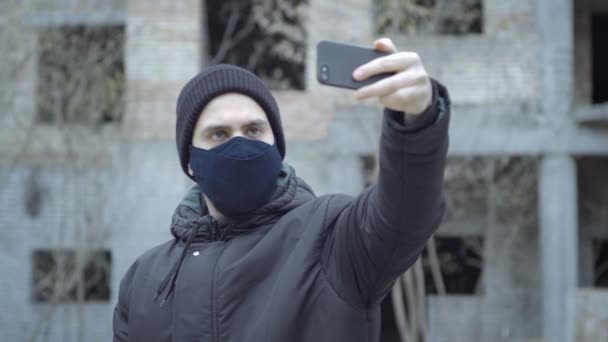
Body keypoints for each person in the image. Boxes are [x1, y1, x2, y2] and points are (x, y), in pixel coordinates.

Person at [113, 37, 450, 342]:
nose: (239, 144)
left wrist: (416, 123)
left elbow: (406, 214)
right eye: (218, 134)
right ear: (189, 162)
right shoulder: (144, 280)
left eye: (254, 129)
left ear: (277, 147)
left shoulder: (333, 238)